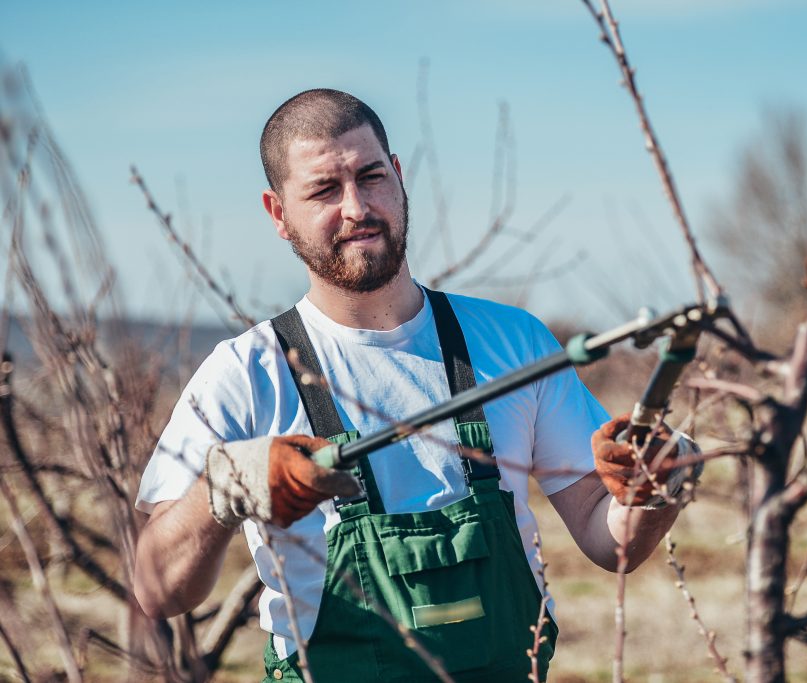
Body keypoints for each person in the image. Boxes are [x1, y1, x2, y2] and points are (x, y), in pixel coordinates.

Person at [133, 89, 699, 682]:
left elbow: (612, 541)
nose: (357, 207)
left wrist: (662, 479)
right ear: (278, 213)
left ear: (398, 177)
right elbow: (156, 589)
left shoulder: (514, 342)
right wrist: (226, 488)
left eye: (371, 177)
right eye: (325, 190)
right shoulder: (245, 374)